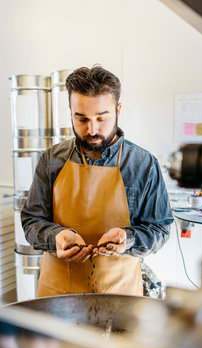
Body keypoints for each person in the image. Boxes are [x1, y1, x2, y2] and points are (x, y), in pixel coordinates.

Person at [21, 65, 173, 297]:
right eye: (81, 118)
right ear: (70, 111)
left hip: (119, 294)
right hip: (58, 292)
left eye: (102, 118)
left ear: (118, 110)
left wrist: (128, 238)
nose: (92, 129)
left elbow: (160, 229)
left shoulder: (143, 165)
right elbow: (31, 221)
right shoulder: (50, 160)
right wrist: (55, 238)